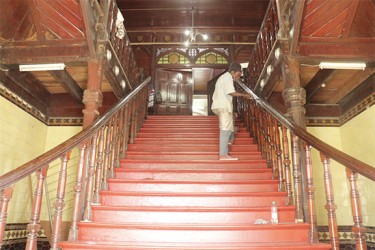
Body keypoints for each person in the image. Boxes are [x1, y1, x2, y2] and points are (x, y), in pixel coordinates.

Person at [211, 63, 252, 160]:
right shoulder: (227, 77)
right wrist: (246, 95)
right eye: (237, 75)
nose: (237, 77)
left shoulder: (225, 78)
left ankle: (230, 138)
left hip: (221, 106)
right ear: (232, 72)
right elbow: (230, 92)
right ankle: (223, 154)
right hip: (223, 106)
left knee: (230, 127)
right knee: (225, 129)